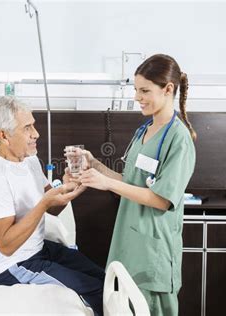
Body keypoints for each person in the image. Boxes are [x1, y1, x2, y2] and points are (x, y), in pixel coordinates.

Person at [67, 54, 196, 316]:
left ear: (168, 89)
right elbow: (131, 181)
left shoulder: (179, 139)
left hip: (153, 251)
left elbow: (161, 199)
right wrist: (96, 166)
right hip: (128, 245)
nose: (137, 97)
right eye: (136, 89)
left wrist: (106, 184)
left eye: (145, 90)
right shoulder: (144, 131)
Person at [0, 96, 105, 316]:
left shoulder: (29, 159)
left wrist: (69, 187)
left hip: (37, 249)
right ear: (4, 136)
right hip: (9, 265)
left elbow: (53, 208)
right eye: (27, 128)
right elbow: (6, 245)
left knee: (103, 278)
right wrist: (44, 203)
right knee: (96, 290)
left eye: (33, 125)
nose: (36, 133)